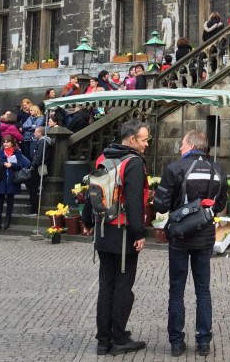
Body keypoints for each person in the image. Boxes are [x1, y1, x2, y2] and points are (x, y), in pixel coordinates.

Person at [153, 130, 227, 358]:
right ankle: (203, 342)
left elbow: (161, 206)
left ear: (192, 144)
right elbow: (221, 203)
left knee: (176, 290)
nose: (180, 149)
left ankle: (176, 342)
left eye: (182, 145)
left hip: (180, 235)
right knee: (203, 290)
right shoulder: (218, 170)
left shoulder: (175, 168)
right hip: (205, 236)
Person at [82, 120, 149, 356]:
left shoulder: (103, 157)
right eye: (144, 139)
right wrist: (139, 234)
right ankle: (118, 338)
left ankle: (103, 339)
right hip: (122, 233)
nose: (146, 144)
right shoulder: (133, 163)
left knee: (106, 285)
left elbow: (91, 193)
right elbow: (133, 202)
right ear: (132, 140)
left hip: (102, 230)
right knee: (123, 287)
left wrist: (88, 222)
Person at [0, 135, 30, 230]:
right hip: (2, 179)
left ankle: (7, 221)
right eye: (4, 142)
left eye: (7, 142)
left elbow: (21, 165)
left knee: (10, 201)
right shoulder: (0, 152)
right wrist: (3, 164)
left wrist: (12, 165)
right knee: (0, 201)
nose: (5, 144)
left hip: (12, 179)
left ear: (12, 143)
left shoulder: (17, 153)